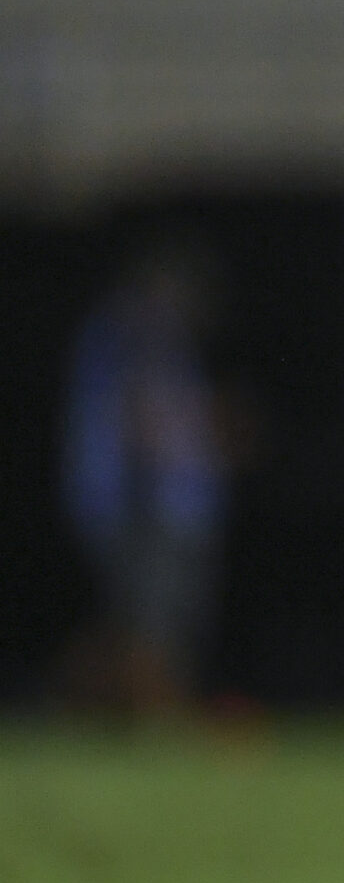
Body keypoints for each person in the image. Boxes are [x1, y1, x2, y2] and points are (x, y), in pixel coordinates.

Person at [60, 243, 230, 714]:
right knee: (152, 620)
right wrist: (212, 431)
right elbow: (141, 422)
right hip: (149, 507)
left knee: (147, 617)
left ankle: (111, 707)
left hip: (146, 507)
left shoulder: (148, 339)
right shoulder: (136, 335)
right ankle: (159, 716)